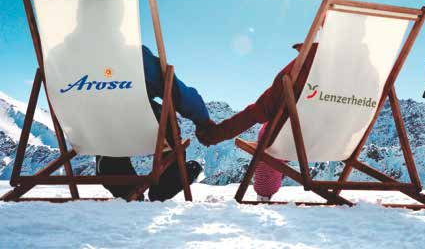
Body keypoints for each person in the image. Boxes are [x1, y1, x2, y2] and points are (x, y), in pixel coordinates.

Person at [195, 43, 318, 200]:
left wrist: (214, 134)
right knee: (274, 136)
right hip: (340, 141)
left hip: (290, 142)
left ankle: (264, 194)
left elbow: (259, 111)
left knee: (269, 139)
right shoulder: (357, 69)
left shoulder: (304, 65)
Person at [96, 45, 209, 201]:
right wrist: (203, 121)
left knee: (104, 119)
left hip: (94, 129)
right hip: (133, 122)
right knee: (166, 115)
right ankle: (169, 178)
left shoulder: (64, 59)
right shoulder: (131, 55)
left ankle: (118, 178)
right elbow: (177, 93)